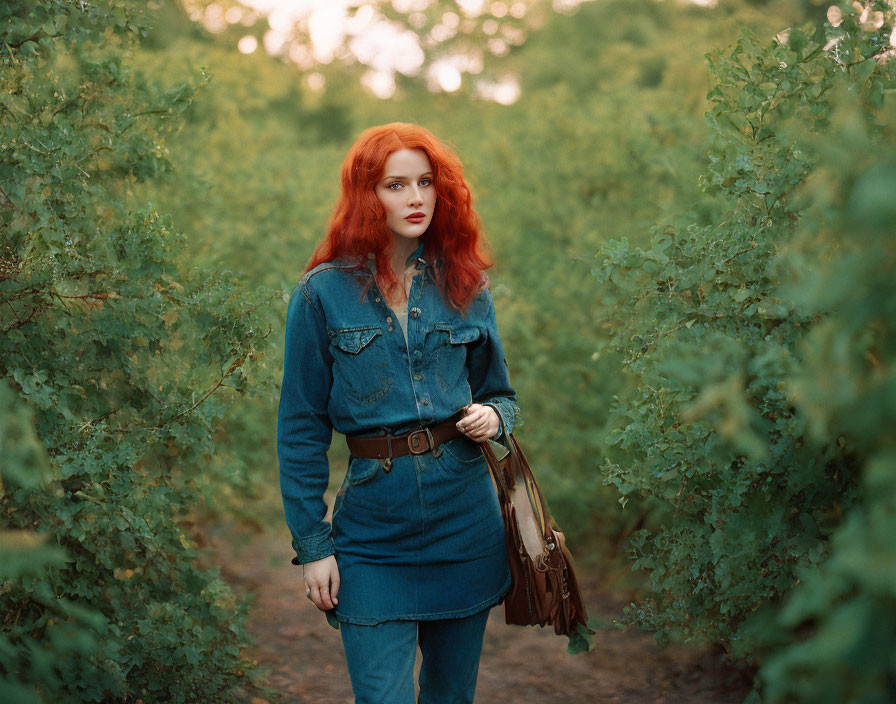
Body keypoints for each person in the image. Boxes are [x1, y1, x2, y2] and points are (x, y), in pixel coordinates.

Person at [276, 122, 522, 704]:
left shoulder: (468, 286)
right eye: (395, 184)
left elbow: (502, 394)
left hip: (465, 522)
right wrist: (313, 547)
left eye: (426, 182)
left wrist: (494, 416)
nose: (415, 198)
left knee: (449, 697)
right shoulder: (321, 295)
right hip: (372, 535)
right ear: (368, 194)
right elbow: (301, 429)